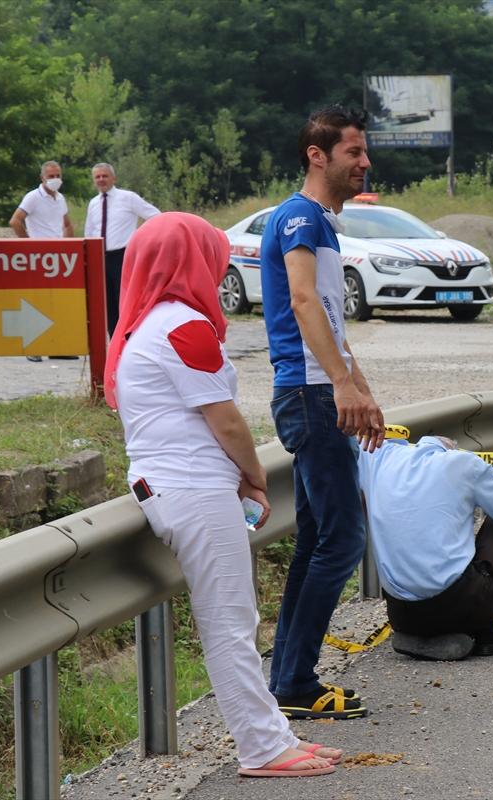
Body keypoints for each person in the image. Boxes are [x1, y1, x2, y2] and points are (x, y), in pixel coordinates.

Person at [105, 212, 340, 779]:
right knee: (230, 622)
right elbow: (227, 421)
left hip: (176, 485)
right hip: (194, 489)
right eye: (213, 255)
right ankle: (262, 748)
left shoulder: (148, 324)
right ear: (191, 261)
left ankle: (274, 736)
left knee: (234, 618)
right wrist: (253, 475)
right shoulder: (184, 325)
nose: (219, 267)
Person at [260, 105, 383, 719]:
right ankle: (296, 683)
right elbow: (303, 300)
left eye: (364, 152)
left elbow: (333, 324)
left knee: (317, 540)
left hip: (320, 389)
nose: (365, 163)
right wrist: (340, 385)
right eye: (353, 152)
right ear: (317, 155)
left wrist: (362, 389)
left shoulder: (323, 224)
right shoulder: (300, 217)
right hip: (310, 392)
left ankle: (287, 680)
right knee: (342, 539)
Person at [356, 435, 493, 660]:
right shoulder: (463, 462)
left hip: (400, 613)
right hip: (458, 606)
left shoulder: (376, 458)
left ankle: (418, 633)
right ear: (449, 447)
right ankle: (488, 634)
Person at [11, 160, 77, 361]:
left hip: (57, 257)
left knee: (57, 300)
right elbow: (15, 221)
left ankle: (57, 347)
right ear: (42, 178)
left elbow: (67, 224)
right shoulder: (33, 197)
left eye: (58, 176)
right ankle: (34, 348)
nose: (55, 179)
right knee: (36, 301)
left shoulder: (60, 198)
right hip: (39, 255)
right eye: (51, 176)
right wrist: (28, 245)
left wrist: (68, 247)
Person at [83, 162, 160, 336]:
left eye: (105, 176)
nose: (101, 179)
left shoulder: (128, 198)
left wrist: (142, 240)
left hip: (123, 256)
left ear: (114, 178)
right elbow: (89, 231)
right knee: (107, 303)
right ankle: (114, 340)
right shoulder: (93, 203)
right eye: (97, 177)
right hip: (100, 258)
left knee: (126, 301)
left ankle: (130, 339)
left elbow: (155, 216)